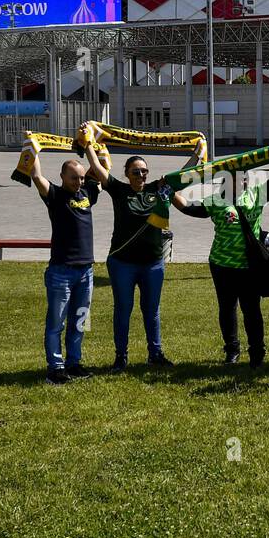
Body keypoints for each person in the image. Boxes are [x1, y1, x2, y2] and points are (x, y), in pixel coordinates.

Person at [80, 128, 202, 371]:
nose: (141, 175)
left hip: (153, 263)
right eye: (136, 172)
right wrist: (88, 144)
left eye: (144, 171)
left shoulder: (157, 188)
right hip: (122, 262)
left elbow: (181, 175)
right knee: (123, 310)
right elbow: (98, 168)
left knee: (152, 311)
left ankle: (155, 354)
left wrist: (198, 153)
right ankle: (120, 357)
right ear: (126, 174)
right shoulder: (119, 189)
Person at [173, 170, 269, 367]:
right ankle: (232, 350)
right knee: (227, 309)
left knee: (252, 310)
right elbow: (187, 207)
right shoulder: (215, 200)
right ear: (225, 180)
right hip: (222, 264)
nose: (240, 180)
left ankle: (257, 351)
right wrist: (169, 191)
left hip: (250, 266)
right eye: (235, 177)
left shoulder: (257, 194)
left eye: (244, 176)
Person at [30, 152, 100, 385]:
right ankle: (55, 368)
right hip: (61, 271)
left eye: (81, 178)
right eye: (73, 178)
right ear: (62, 176)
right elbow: (36, 176)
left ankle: (74, 363)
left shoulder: (87, 193)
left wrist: (92, 143)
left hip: (86, 272)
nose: (79, 182)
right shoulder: (55, 195)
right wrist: (34, 148)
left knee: (80, 321)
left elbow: (99, 169)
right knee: (56, 323)